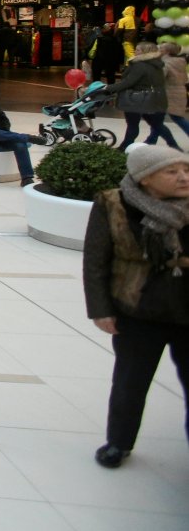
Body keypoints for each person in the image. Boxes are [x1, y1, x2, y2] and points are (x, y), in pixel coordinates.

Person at [82, 144, 189, 469]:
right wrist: (100, 309)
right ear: (145, 178)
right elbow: (96, 261)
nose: (183, 177)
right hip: (137, 309)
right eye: (172, 172)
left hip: (186, 309)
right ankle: (119, 442)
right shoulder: (114, 204)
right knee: (130, 383)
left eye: (186, 170)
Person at [102, 43, 182, 150]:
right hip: (155, 98)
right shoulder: (157, 64)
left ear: (145, 52)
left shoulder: (139, 65)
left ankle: (125, 146)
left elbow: (128, 82)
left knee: (133, 124)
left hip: (137, 99)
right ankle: (174, 146)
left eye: (138, 50)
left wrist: (108, 88)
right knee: (157, 125)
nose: (135, 51)